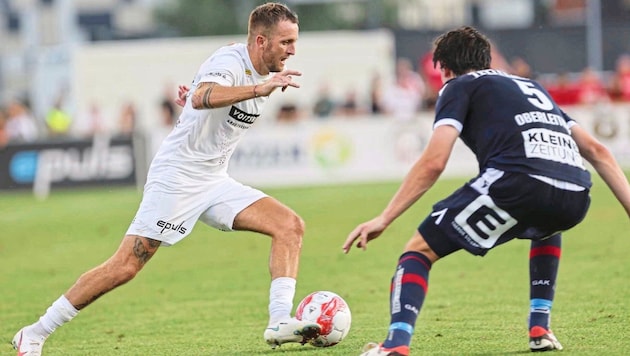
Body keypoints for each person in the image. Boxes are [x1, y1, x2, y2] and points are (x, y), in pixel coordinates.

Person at [12, 3, 322, 355]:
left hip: (214, 180)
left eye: (294, 42)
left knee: (289, 225)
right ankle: (34, 333)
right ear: (262, 41)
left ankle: (279, 321)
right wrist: (252, 91)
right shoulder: (231, 62)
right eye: (286, 42)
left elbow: (200, 95)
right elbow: (205, 95)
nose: (293, 50)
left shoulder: (258, 71)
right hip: (176, 178)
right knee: (125, 266)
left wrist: (196, 96)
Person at [343, 26, 630, 356]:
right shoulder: (531, 86)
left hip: (518, 181)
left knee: (418, 251)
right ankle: (540, 326)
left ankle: (395, 346)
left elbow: (434, 162)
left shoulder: (458, 86)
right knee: (547, 223)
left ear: (444, 70)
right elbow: (598, 151)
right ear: (486, 59)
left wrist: (385, 217)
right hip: (576, 192)